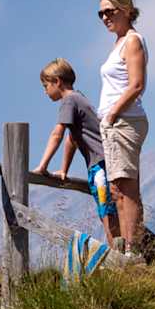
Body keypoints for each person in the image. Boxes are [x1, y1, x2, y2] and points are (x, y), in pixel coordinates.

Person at [32, 58, 122, 250]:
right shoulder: (79, 98)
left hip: (100, 164)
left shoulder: (69, 101)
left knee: (106, 210)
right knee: (107, 208)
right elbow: (72, 139)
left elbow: (58, 134)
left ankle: (118, 256)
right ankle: (120, 252)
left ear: (57, 81)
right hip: (105, 161)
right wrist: (64, 169)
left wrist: (42, 166)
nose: (44, 91)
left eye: (46, 85)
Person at [96, 0, 150, 262]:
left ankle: (133, 250)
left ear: (126, 10)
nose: (105, 17)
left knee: (127, 186)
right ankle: (127, 247)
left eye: (110, 11)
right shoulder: (118, 42)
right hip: (115, 122)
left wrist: (113, 113)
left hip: (124, 121)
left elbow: (137, 84)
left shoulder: (132, 41)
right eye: (101, 13)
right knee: (117, 187)